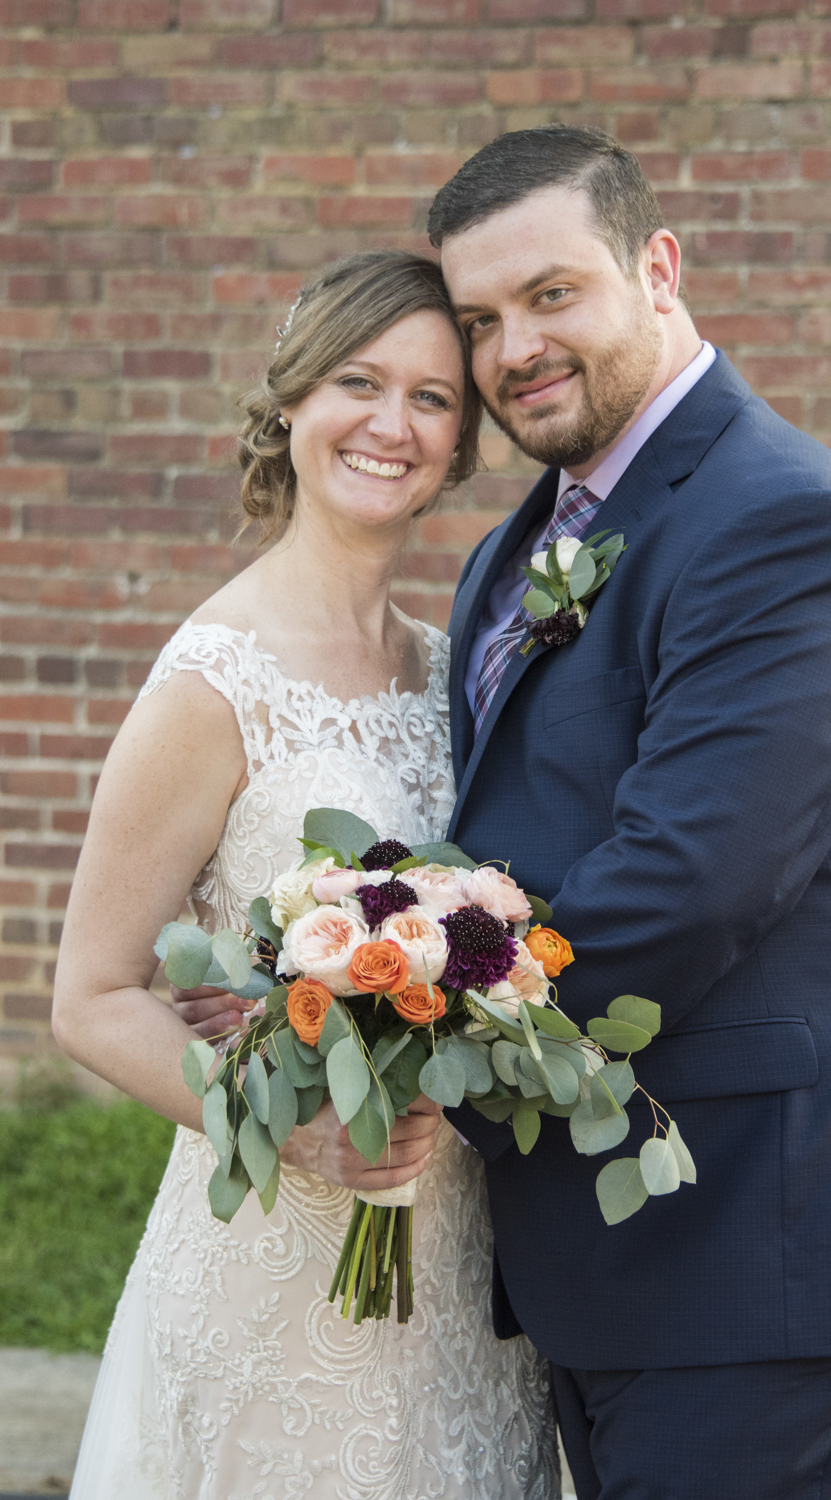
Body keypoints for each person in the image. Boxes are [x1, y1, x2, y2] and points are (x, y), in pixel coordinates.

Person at [425, 126, 831, 1499]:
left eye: (553, 294)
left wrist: (418, 1053)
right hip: (620, 1246)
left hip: (773, 1237)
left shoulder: (779, 519)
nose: (514, 350)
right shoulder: (527, 540)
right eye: (481, 320)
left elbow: (688, 882)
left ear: (658, 267)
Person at [52, 250, 559, 1500]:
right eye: (357, 381)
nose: (392, 424)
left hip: (456, 1272)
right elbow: (92, 998)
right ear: (290, 404)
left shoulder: (456, 673)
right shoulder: (210, 682)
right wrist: (301, 1131)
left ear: (458, 445)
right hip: (275, 1266)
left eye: (433, 400)